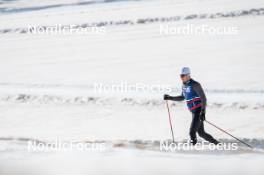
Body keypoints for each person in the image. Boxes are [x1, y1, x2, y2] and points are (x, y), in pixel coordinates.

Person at [164, 67, 219, 145]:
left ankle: (193, 150)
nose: (181, 77)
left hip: (198, 111)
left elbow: (203, 98)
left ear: (188, 75)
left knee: (192, 133)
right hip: (193, 112)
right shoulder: (184, 85)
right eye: (180, 76)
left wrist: (203, 112)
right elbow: (182, 97)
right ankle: (218, 144)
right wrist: (170, 97)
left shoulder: (195, 84)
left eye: (183, 76)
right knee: (201, 133)